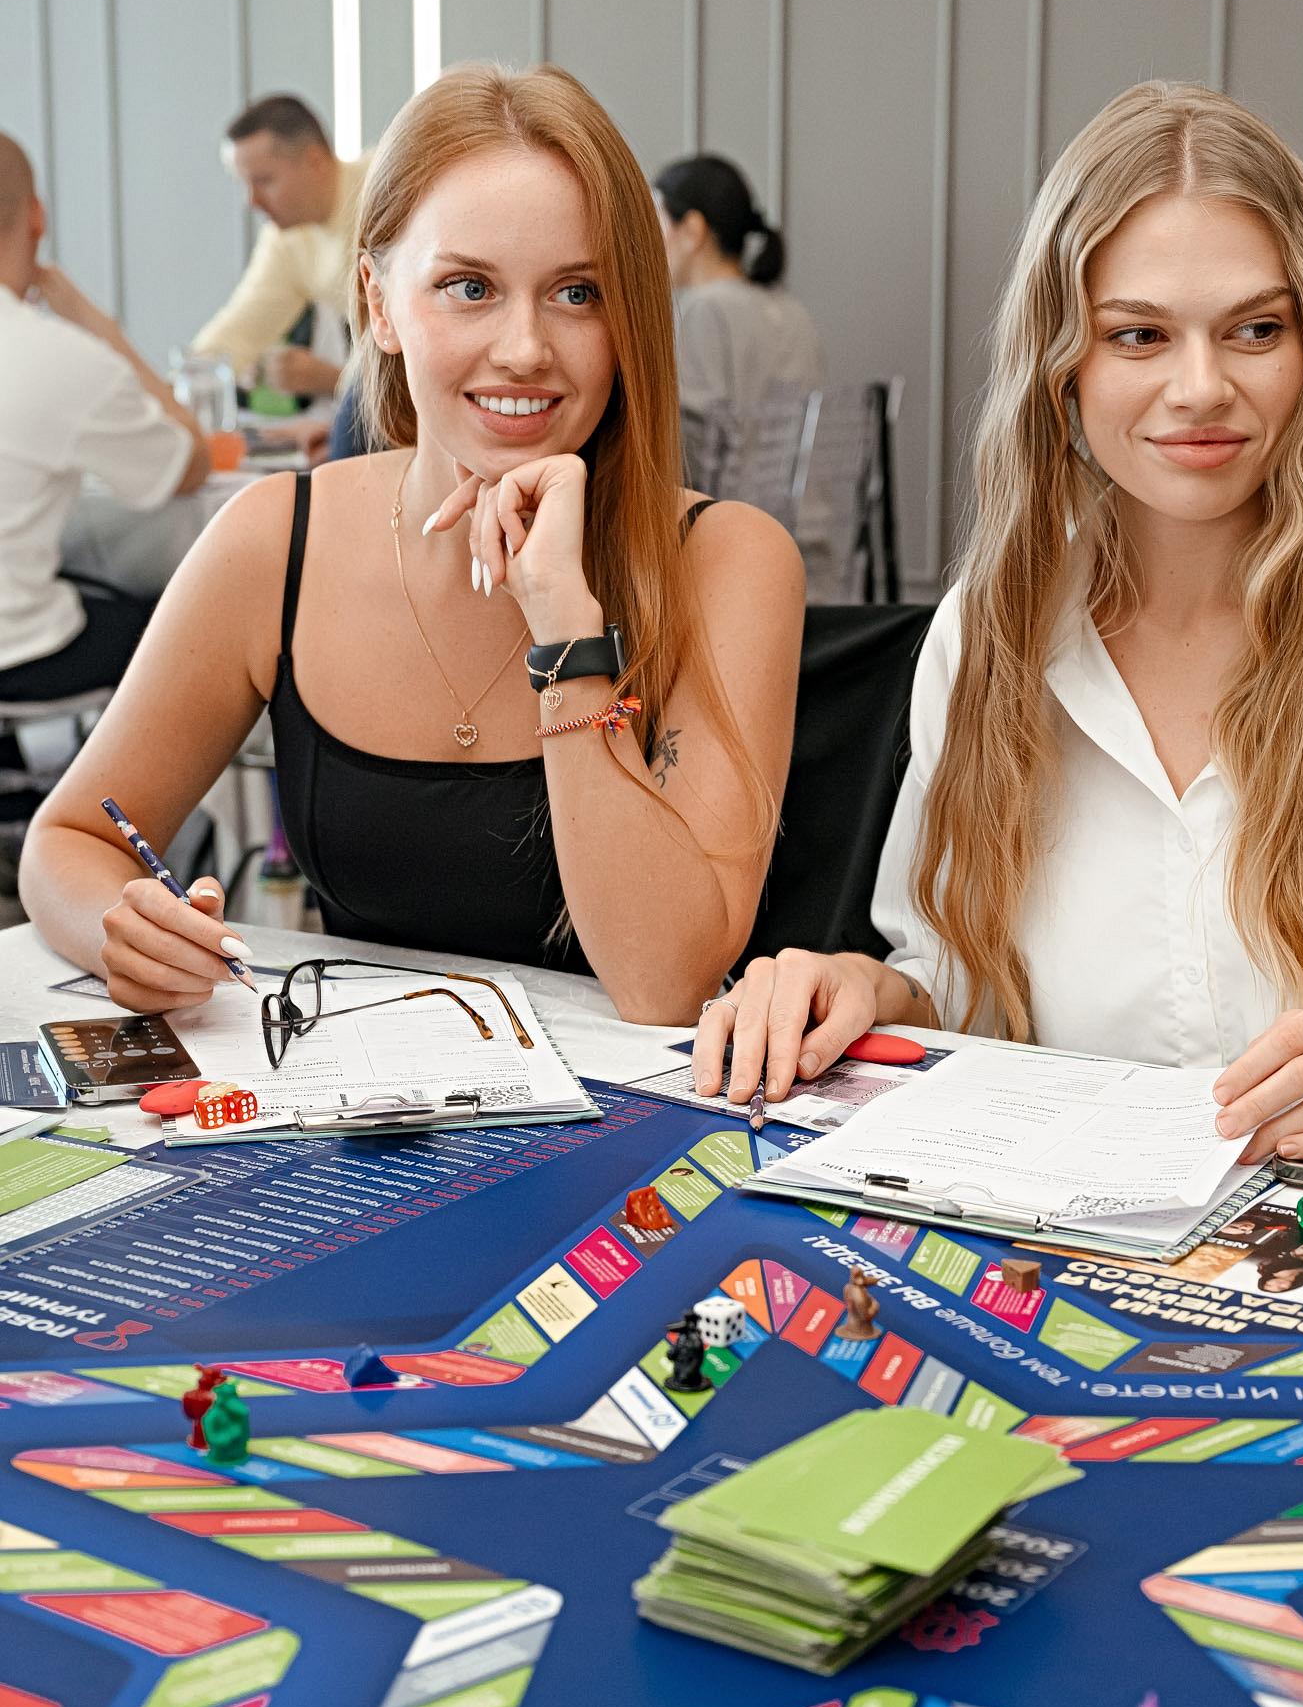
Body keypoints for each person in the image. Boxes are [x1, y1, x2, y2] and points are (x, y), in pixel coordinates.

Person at [694, 83, 1303, 1156]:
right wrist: (867, 989)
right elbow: (965, 987)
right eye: (1138, 336)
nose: (1201, 386)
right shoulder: (989, 637)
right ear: (1061, 366)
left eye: (1255, 329)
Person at [21, 65, 805, 1017]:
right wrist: (122, 927)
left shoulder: (727, 561)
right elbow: (69, 841)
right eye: (469, 287)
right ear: (380, 303)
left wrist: (566, 631)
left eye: (578, 293)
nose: (525, 348)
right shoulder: (277, 538)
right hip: (345, 1093)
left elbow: (664, 982)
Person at [0, 134, 208, 703]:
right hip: (18, 652)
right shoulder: (59, 357)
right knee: (172, 623)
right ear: (37, 217)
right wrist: (102, 330)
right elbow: (189, 465)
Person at [190, 95, 368, 397]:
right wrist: (174, 389)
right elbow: (238, 333)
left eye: (263, 181)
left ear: (315, 162)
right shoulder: (286, 239)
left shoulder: (390, 189)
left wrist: (335, 380)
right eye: (244, 184)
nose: (251, 201)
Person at [653, 155, 825, 423]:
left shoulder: (703, 310)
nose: (652, 240)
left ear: (692, 230)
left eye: (658, 223)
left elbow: (693, 438)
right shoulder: (792, 310)